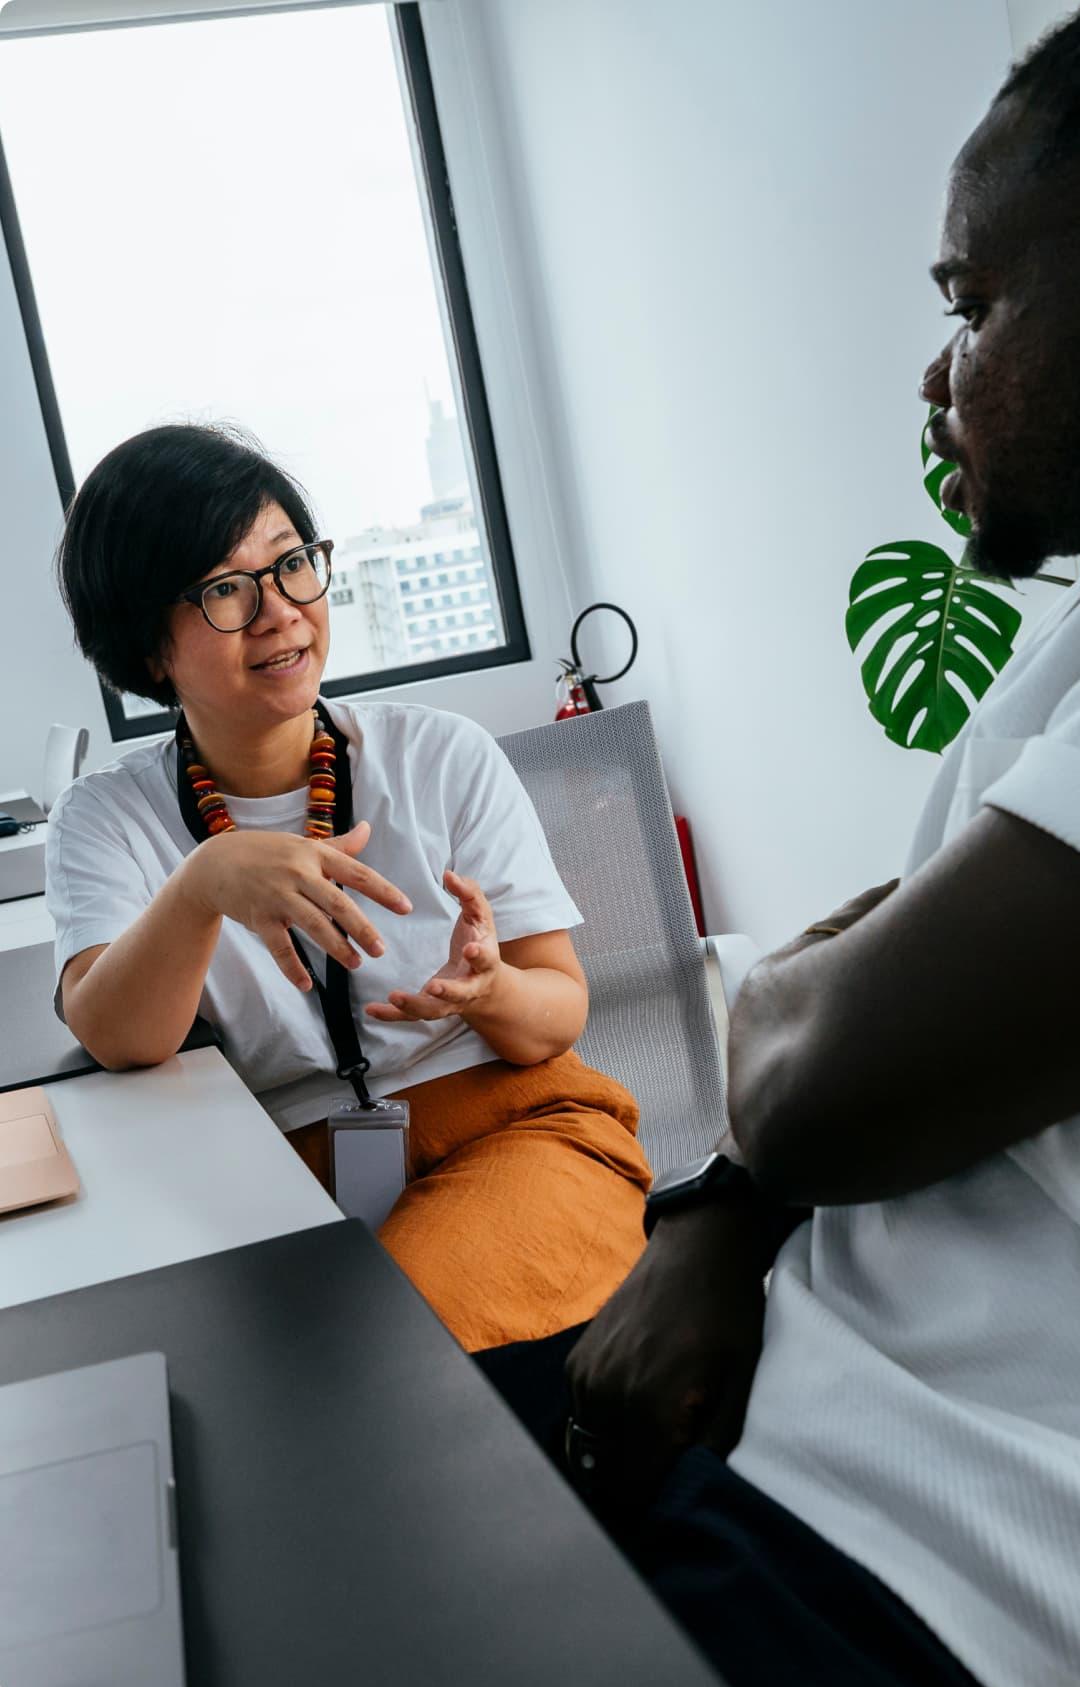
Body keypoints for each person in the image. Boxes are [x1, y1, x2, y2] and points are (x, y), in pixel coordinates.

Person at [555, 4, 1080, 1687]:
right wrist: (722, 1217)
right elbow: (880, 1017)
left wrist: (781, 1035)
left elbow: (822, 1065)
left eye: (970, 307)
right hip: (796, 1423)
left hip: (941, 1561)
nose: (934, 371)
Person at [46, 423, 650, 1352]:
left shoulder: (442, 755)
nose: (280, 610)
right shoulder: (106, 818)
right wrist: (204, 884)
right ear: (148, 645)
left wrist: (490, 992)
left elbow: (557, 1014)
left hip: (511, 1131)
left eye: (291, 565)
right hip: (276, 1180)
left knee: (383, 1357)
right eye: (223, 590)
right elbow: (119, 1040)